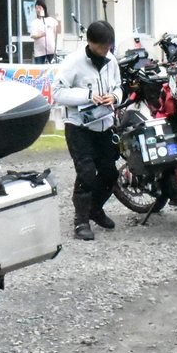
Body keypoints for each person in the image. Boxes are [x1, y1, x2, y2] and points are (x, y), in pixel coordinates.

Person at [52, 20, 123, 241]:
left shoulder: (111, 61)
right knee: (86, 173)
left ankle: (95, 208)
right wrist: (87, 96)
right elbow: (57, 92)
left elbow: (118, 86)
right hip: (79, 126)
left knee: (110, 173)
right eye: (102, 46)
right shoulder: (74, 62)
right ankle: (81, 221)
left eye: (109, 46)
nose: (106, 50)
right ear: (90, 43)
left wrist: (115, 97)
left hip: (104, 124)